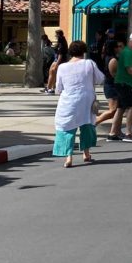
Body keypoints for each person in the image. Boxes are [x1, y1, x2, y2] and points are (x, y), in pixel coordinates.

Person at [53, 40, 104, 168]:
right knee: (86, 125)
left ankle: (68, 157)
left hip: (68, 100)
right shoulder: (89, 64)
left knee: (67, 127)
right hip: (86, 100)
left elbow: (58, 88)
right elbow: (100, 79)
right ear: (84, 51)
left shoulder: (62, 67)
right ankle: (86, 153)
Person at [95, 39, 120, 130]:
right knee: (113, 110)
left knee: (116, 110)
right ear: (113, 48)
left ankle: (116, 129)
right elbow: (114, 75)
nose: (119, 48)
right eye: (117, 47)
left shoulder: (108, 57)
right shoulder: (112, 60)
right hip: (111, 86)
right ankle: (95, 122)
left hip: (111, 85)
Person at [44, 29, 69, 94]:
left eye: (56, 35)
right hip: (56, 59)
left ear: (58, 35)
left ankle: (49, 88)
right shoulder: (61, 41)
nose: (55, 36)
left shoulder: (62, 42)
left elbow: (61, 54)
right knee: (52, 73)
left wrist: (57, 64)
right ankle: (51, 88)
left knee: (52, 72)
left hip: (59, 60)